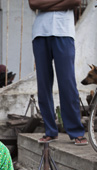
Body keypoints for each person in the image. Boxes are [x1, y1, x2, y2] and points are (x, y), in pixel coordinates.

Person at [29, 0, 87, 145]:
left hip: (64, 32)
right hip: (40, 33)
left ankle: (75, 131)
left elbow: (76, 1)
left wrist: (47, 4)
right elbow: (34, 3)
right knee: (44, 84)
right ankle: (50, 131)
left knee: (67, 83)